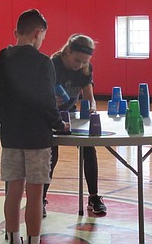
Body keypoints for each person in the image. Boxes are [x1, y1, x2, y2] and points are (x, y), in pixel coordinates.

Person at [0, 9, 69, 244]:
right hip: (37, 138)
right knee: (34, 195)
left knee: (12, 192)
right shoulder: (43, 62)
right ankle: (33, 240)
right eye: (43, 36)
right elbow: (46, 101)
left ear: (16, 32)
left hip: (11, 136)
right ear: (38, 32)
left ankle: (12, 239)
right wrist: (58, 123)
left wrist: (2, 117)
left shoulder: (2, 58)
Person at [42, 34, 107, 217]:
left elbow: (89, 97)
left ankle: (94, 197)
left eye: (84, 62)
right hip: (50, 115)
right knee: (51, 155)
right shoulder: (51, 65)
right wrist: (48, 99)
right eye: (77, 60)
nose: (79, 65)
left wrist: (92, 109)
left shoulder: (85, 68)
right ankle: (41, 199)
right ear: (67, 51)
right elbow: (38, 96)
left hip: (71, 114)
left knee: (89, 148)